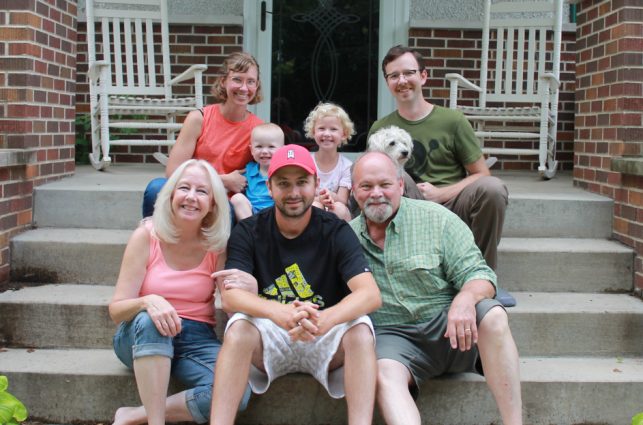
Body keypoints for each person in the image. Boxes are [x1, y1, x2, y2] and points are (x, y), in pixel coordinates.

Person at [209, 144, 382, 425]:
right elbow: (231, 298)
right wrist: (281, 313)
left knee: (361, 330)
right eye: (283, 183)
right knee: (239, 327)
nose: (293, 192)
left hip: (324, 333)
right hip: (271, 334)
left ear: (316, 184)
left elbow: (370, 294)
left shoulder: (336, 230)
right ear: (269, 186)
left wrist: (325, 319)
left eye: (302, 182)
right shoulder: (249, 230)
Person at [350, 151, 522, 425]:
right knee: (383, 374)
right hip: (394, 339)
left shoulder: (437, 219)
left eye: (385, 185)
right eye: (366, 186)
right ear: (353, 191)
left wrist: (465, 299)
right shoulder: (346, 238)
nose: (376, 194)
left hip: (453, 330)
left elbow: (480, 275)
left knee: (494, 316)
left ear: (400, 186)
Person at [109, 159, 251, 425]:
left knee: (237, 392)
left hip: (194, 339)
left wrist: (249, 289)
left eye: (202, 191)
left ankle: (133, 415)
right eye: (184, 188)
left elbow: (230, 304)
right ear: (171, 194)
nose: (191, 198)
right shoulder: (146, 236)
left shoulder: (216, 245)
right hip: (139, 334)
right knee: (151, 319)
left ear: (213, 204)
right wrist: (148, 301)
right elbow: (117, 310)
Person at [370, 45, 513, 305]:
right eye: (394, 76)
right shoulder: (381, 129)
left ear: (423, 76)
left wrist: (442, 193)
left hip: (454, 201)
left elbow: (481, 173)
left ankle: (482, 278)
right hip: (410, 203)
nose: (402, 81)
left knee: (493, 189)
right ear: (387, 82)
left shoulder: (453, 120)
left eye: (408, 73)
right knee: (397, 176)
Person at [142, 51, 264, 217]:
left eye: (250, 82)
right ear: (223, 81)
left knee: (229, 210)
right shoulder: (198, 118)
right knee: (156, 188)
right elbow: (173, 171)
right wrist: (223, 180)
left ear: (256, 86)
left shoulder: (258, 129)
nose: (244, 88)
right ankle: (153, 240)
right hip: (191, 192)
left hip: (225, 202)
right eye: (237, 79)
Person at [304, 102, 355, 221]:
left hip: (336, 208)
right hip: (313, 204)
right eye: (321, 128)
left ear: (344, 134)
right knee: (314, 206)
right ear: (313, 132)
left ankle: (340, 239)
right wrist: (319, 200)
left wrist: (330, 196)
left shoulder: (347, 166)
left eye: (333, 129)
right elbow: (303, 193)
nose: (327, 134)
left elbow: (343, 200)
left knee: (338, 208)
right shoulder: (307, 160)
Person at [229, 123, 285, 221]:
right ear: (251, 150)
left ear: (282, 150)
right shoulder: (249, 170)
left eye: (271, 147)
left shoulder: (284, 171)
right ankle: (250, 231)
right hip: (252, 214)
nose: (264, 151)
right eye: (259, 146)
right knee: (237, 198)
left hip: (276, 214)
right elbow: (232, 185)